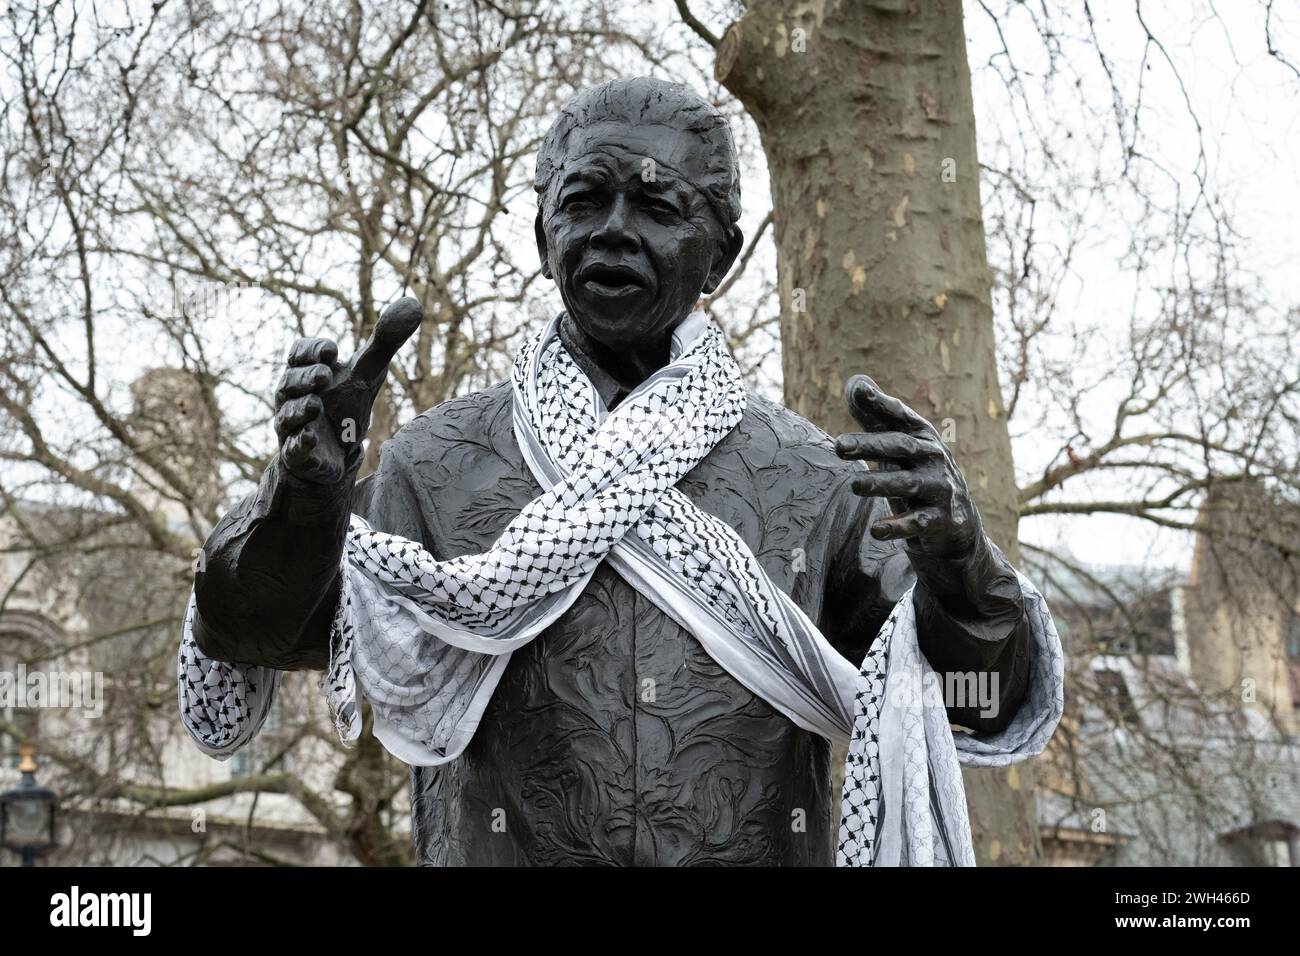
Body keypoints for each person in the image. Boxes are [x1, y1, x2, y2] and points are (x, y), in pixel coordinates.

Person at [180, 77, 1049, 866]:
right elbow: (248, 631)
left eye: (658, 207)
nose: (612, 233)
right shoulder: (436, 466)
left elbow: (972, 704)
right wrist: (304, 501)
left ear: (722, 254)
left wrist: (964, 572)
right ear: (541, 231)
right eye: (584, 200)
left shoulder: (813, 480)